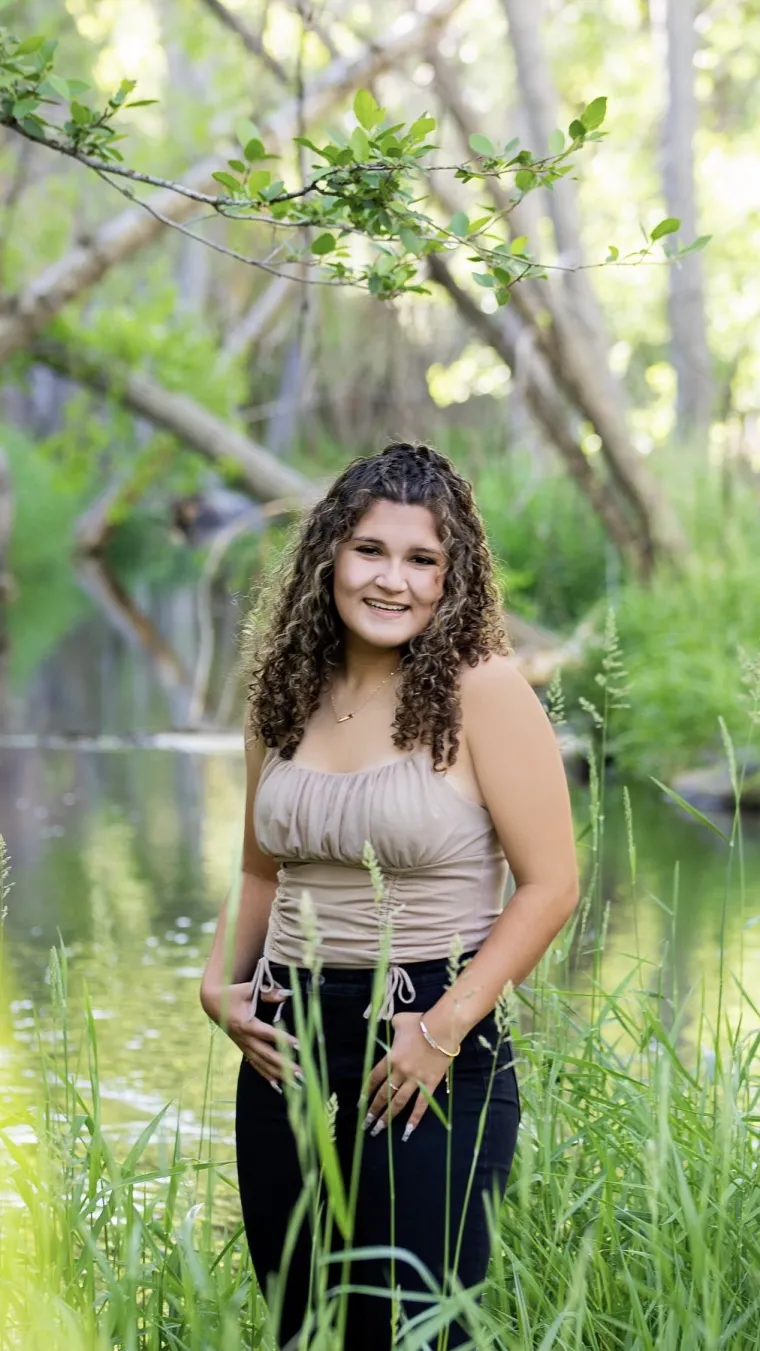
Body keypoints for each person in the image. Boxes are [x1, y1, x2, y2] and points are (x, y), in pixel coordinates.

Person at [200, 441, 579, 1349]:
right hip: (283, 1044)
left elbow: (553, 884)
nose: (392, 581)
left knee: (406, 1330)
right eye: (371, 550)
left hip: (425, 1039)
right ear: (331, 551)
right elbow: (260, 871)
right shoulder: (283, 690)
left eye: (422, 560)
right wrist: (219, 984)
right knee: (302, 1325)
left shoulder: (483, 691)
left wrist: (444, 1028)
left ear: (454, 576)